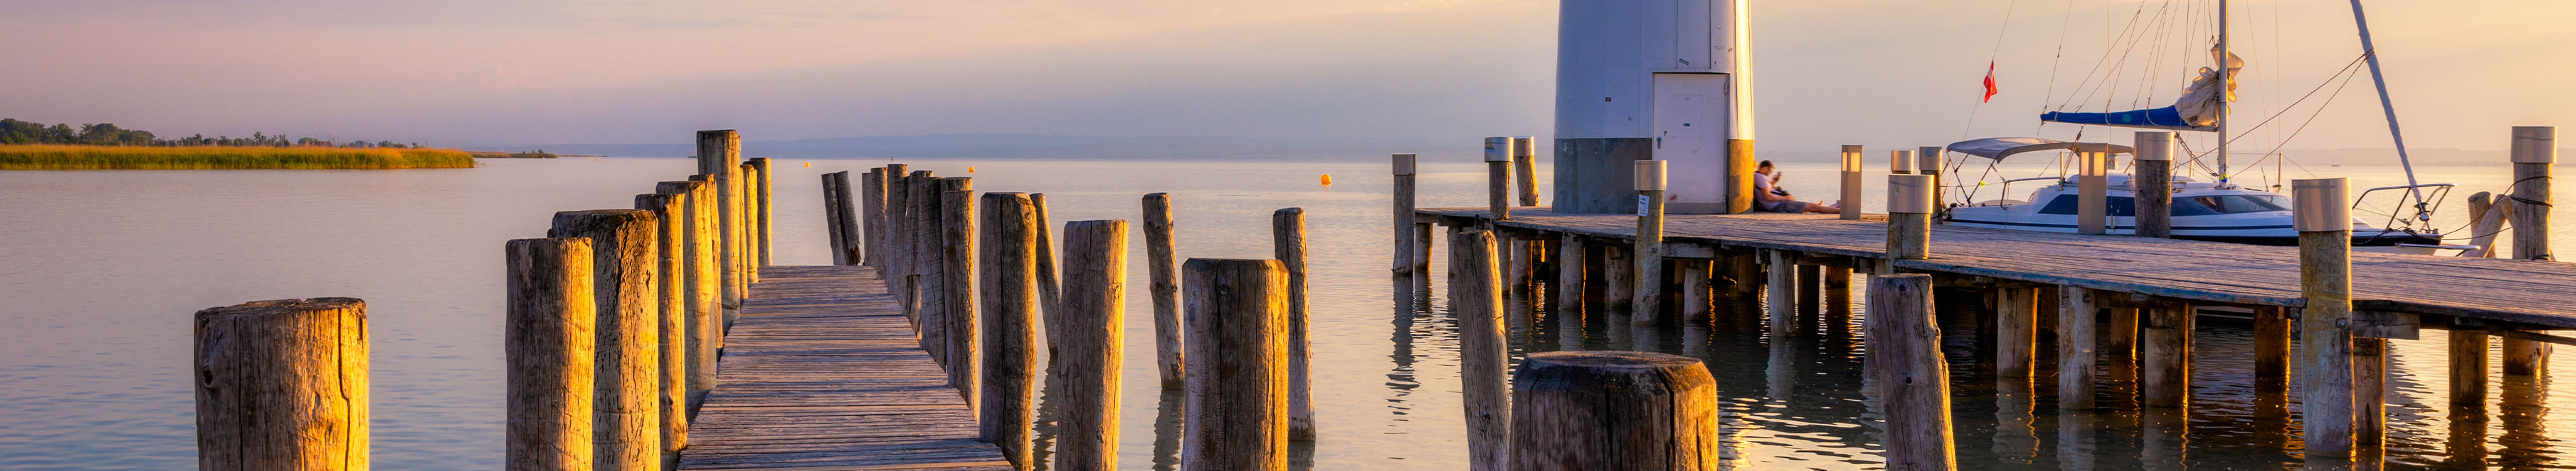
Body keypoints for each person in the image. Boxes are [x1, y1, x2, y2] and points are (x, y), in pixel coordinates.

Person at [1752, 160, 1841, 214]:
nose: (1770, 173)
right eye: (1770, 171)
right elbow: (1768, 197)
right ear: (1765, 168)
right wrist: (1785, 198)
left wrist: (1773, 182)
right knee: (1815, 208)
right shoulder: (1760, 177)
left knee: (1812, 207)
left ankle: (1823, 207)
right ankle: (1840, 211)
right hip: (1779, 205)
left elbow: (1767, 191)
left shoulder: (1758, 176)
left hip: (1779, 205)